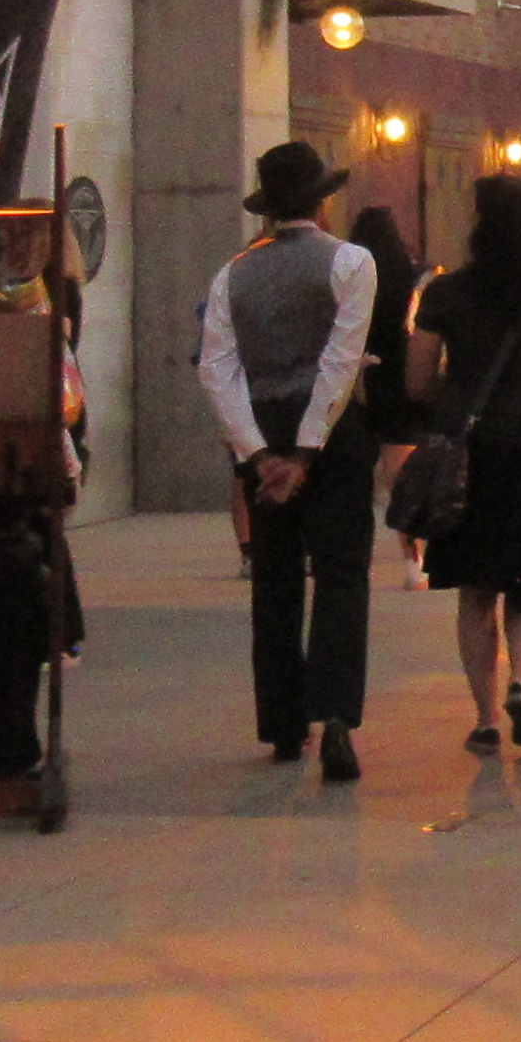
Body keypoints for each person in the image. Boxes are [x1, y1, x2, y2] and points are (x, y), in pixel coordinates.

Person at [196, 142, 374, 781]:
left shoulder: (233, 274)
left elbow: (217, 370)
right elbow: (340, 362)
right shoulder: (351, 262)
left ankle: (282, 723)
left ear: (268, 208)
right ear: (322, 202)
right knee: (342, 572)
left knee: (275, 577)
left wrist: (259, 454)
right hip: (333, 436)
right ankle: (337, 720)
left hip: (264, 428)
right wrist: (306, 450)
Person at [406, 176, 521, 754]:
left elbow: (417, 380)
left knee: (476, 589)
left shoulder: (446, 293)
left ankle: (484, 717)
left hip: (470, 451)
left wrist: (456, 402)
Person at [344, 203, 425, 577]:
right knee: (400, 469)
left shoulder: (351, 274)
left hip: (357, 372)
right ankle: (413, 555)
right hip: (399, 372)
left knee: (354, 466)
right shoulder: (410, 276)